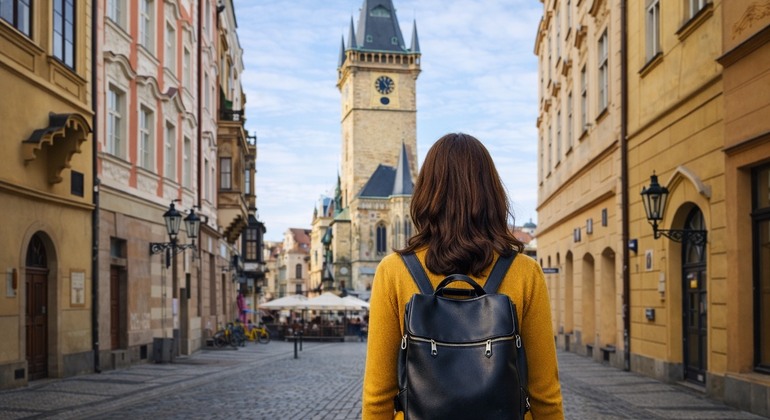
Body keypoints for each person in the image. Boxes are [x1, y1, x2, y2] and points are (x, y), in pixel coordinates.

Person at [362, 133, 564, 419]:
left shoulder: (394, 271)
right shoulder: (524, 271)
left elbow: (378, 395)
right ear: (492, 193)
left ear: (425, 193)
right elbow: (545, 392)